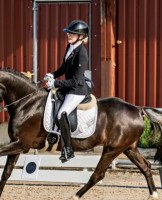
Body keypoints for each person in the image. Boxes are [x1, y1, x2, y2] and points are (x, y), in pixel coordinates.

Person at [43, 20, 91, 162]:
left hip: (77, 89)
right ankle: (53, 134)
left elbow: (75, 81)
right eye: (69, 32)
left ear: (81, 36)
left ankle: (68, 149)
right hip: (68, 86)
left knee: (61, 113)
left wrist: (55, 83)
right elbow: (64, 68)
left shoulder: (82, 53)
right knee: (50, 101)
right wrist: (53, 74)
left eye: (73, 33)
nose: (69, 35)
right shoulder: (70, 46)